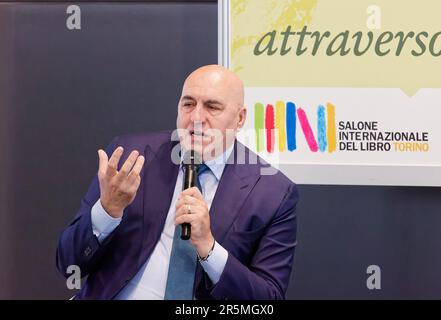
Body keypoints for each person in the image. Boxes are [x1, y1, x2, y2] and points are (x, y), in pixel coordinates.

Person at [56, 65, 299, 300]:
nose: (196, 118)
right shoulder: (132, 157)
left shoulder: (272, 193)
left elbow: (268, 298)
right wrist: (107, 210)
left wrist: (208, 247)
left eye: (212, 106)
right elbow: (68, 262)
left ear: (240, 118)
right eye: (188, 104)